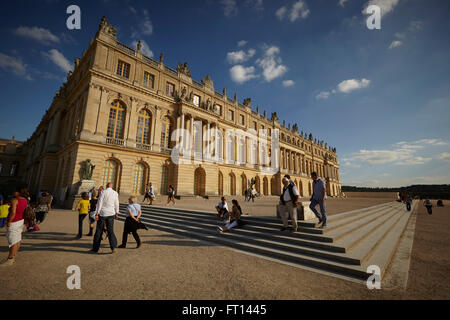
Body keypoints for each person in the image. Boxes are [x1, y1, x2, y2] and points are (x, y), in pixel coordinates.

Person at [1, 188, 28, 266]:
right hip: (21, 221)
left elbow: (13, 212)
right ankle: (13, 256)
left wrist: (9, 221)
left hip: (14, 222)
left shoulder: (15, 200)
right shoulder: (25, 200)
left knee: (13, 241)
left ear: (18, 193)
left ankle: (10, 259)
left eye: (15, 191)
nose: (13, 192)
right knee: (17, 239)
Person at [91, 183, 119, 253]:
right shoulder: (115, 193)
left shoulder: (103, 192)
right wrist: (117, 212)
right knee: (110, 230)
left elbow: (99, 203)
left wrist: (97, 213)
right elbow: (116, 203)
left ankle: (95, 248)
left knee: (99, 230)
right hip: (111, 213)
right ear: (112, 186)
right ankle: (113, 248)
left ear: (106, 186)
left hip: (103, 213)